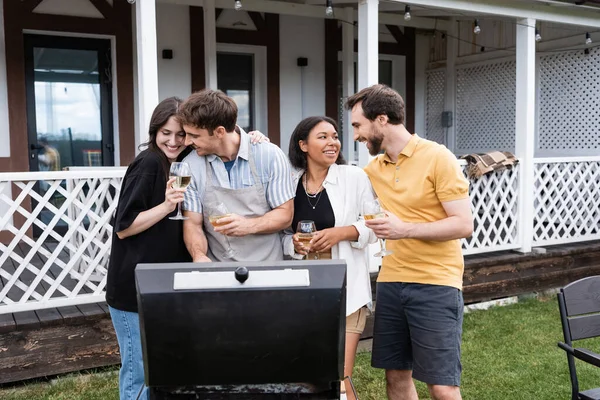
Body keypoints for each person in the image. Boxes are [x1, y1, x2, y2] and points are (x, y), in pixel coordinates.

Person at [346, 84, 473, 400]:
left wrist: (405, 230)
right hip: (391, 282)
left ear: (382, 120)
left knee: (442, 386)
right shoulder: (373, 169)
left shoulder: (437, 158)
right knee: (397, 378)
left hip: (435, 283)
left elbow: (463, 224)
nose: (355, 136)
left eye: (358, 126)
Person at [282, 116, 377, 400]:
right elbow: (282, 235)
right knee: (312, 374)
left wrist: (342, 233)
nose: (332, 142)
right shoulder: (290, 182)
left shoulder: (354, 177)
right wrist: (293, 245)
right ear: (303, 145)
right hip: (304, 289)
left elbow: (376, 226)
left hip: (346, 288)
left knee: (340, 376)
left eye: (334, 136)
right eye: (322, 137)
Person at [106, 97, 192, 400]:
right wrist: (167, 206)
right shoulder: (150, 163)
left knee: (161, 369)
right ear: (155, 131)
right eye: (166, 133)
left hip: (161, 286)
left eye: (181, 134)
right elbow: (124, 226)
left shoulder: (183, 161)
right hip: (133, 288)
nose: (173, 140)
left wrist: (254, 138)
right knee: (139, 373)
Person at [180, 89, 295, 262]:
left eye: (194, 135)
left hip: (269, 269)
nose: (187, 142)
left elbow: (285, 215)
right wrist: (199, 255)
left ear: (219, 132)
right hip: (218, 271)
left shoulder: (269, 156)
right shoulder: (190, 166)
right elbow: (193, 224)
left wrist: (248, 225)